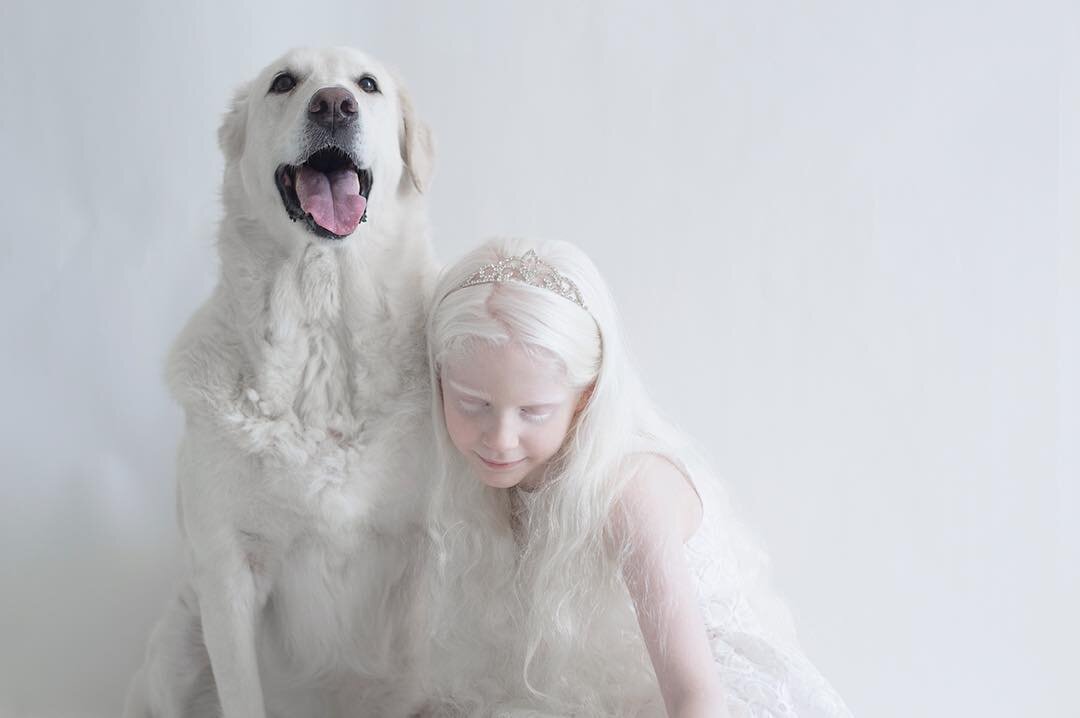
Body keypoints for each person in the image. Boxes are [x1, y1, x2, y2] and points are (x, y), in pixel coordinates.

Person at [424, 238, 852, 717]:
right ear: (440, 381)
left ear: (584, 397)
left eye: (533, 411)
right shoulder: (479, 484)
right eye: (472, 403)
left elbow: (695, 695)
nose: (500, 439)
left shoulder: (629, 491)